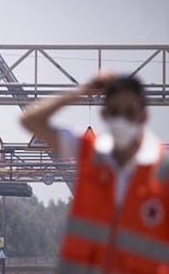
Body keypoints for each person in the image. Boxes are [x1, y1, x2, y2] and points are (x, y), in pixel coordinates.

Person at [20, 73, 169, 274]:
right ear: (104, 115)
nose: (122, 119)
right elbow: (30, 121)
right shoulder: (90, 152)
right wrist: (80, 92)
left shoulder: (163, 170)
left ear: (143, 117)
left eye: (129, 112)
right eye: (115, 112)